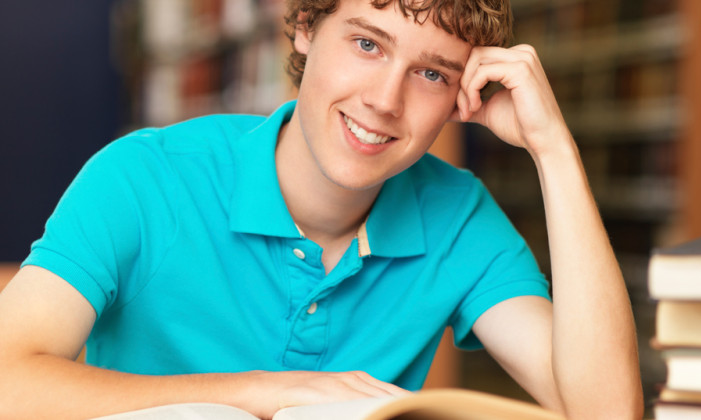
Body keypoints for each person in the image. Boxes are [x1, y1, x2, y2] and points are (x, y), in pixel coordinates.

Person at [0, 0, 643, 418]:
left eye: (431, 75)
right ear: (306, 28)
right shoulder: (145, 176)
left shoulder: (459, 218)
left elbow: (608, 413)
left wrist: (552, 149)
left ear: (462, 96)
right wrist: (264, 393)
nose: (385, 101)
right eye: (368, 45)